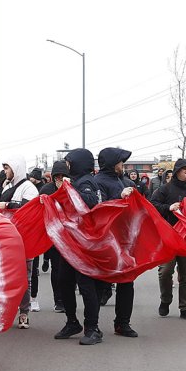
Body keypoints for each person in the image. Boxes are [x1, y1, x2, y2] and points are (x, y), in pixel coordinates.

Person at [57, 148, 109, 346]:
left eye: (69, 162)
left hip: (84, 244)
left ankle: (92, 328)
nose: (67, 166)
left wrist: (69, 191)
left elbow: (88, 204)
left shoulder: (85, 182)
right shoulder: (80, 181)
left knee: (86, 286)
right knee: (64, 281)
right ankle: (72, 322)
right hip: (72, 243)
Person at [150, 158, 186, 320]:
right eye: (185, 169)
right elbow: (152, 205)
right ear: (177, 171)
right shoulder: (164, 190)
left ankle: (185, 307)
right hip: (168, 237)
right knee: (165, 271)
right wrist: (168, 207)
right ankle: (165, 299)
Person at [94, 147, 139, 338]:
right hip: (104, 241)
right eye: (121, 162)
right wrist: (119, 198)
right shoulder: (96, 182)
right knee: (97, 283)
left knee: (127, 281)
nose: (123, 165)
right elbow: (98, 210)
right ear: (113, 163)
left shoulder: (126, 182)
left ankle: (122, 323)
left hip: (125, 239)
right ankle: (92, 325)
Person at [0, 155, 40, 326]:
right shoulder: (7, 185)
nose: (5, 171)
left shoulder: (29, 187)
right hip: (7, 239)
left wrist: (7, 206)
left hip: (24, 240)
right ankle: (8, 311)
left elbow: (28, 209)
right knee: (7, 278)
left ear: (16, 168)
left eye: (7, 168)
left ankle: (24, 312)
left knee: (24, 278)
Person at [38, 160, 69, 314]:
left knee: (68, 269)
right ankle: (59, 300)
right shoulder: (46, 189)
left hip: (69, 235)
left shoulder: (72, 188)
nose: (60, 178)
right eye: (58, 176)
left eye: (63, 176)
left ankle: (67, 298)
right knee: (56, 268)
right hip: (53, 235)